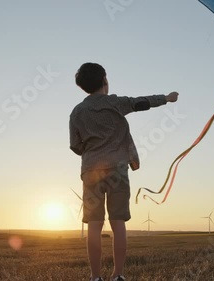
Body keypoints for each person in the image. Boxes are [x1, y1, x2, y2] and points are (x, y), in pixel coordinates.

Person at [69, 62, 179, 281]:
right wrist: (166, 98)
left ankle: (95, 277)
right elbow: (142, 102)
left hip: (91, 172)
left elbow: (75, 145)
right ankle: (118, 275)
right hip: (117, 171)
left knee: (94, 224)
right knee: (118, 222)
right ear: (104, 82)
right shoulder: (116, 103)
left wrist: (92, 150)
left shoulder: (77, 112)